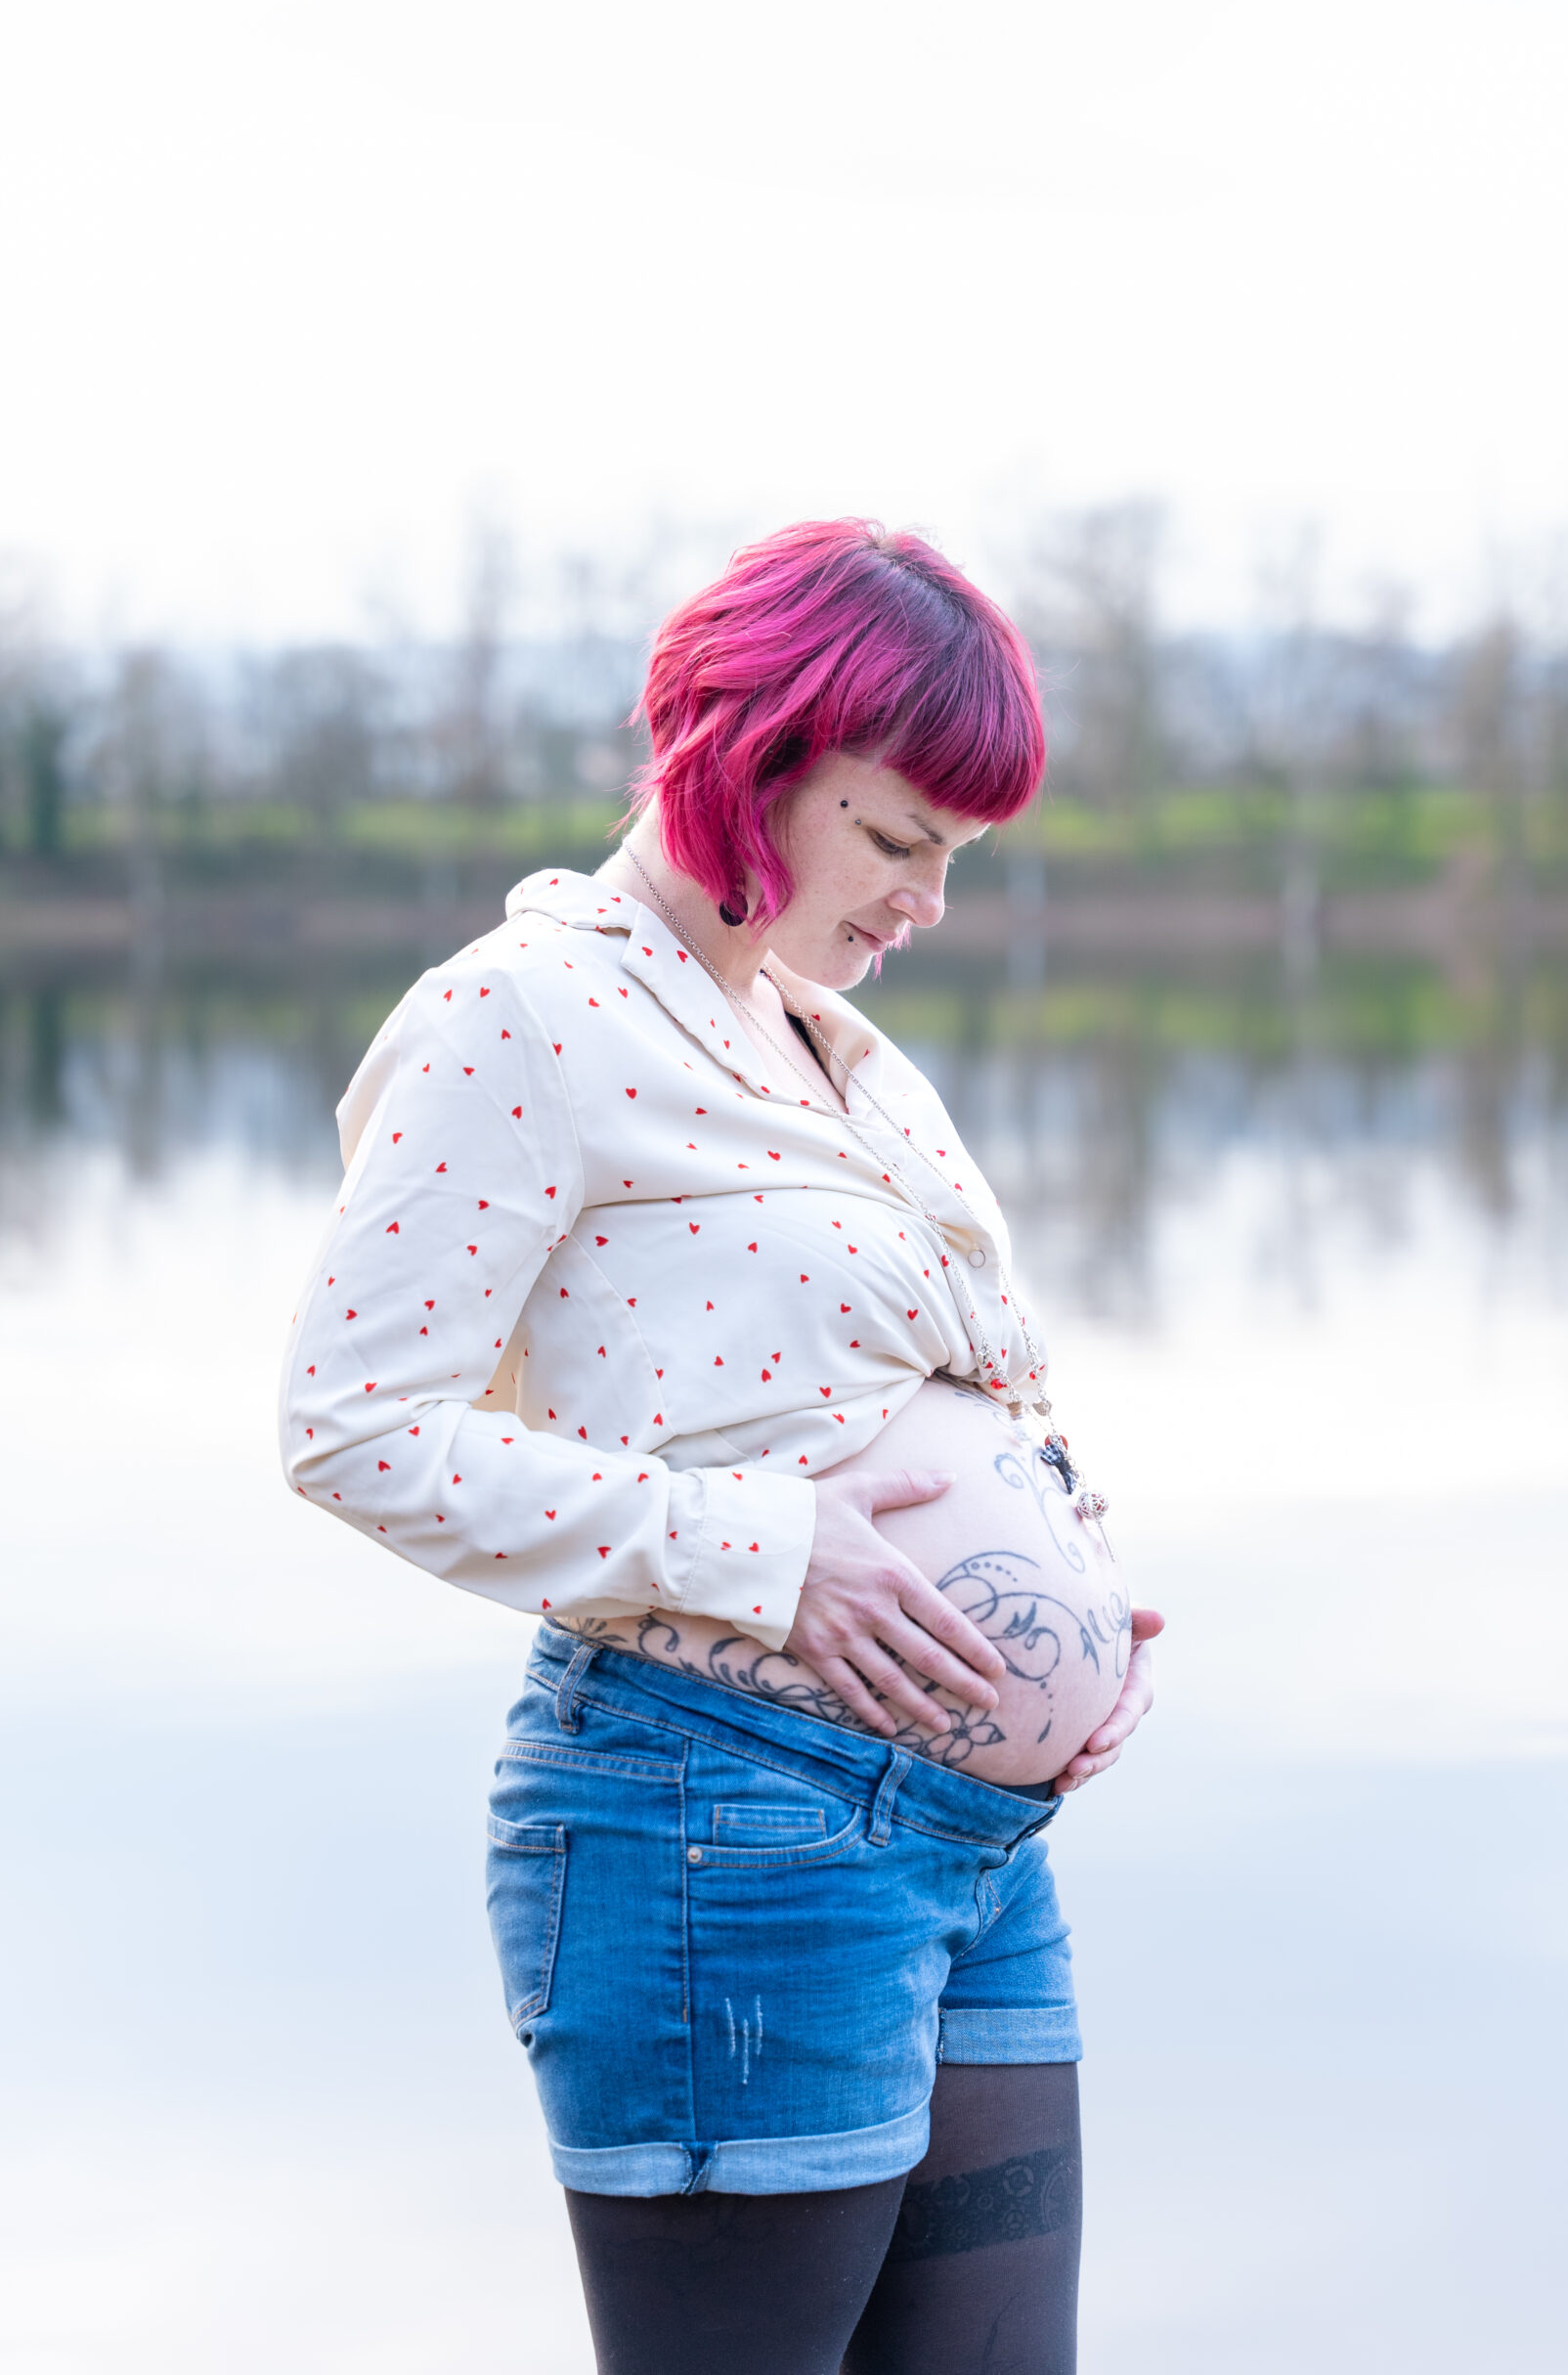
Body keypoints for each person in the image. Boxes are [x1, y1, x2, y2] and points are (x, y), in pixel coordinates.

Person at [280, 520, 1161, 2374]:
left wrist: (1078, 1595)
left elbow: (931, 1389)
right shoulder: (514, 1019)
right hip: (724, 1830)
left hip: (976, 1847)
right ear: (748, 752)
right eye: (899, 837)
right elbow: (354, 1431)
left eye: (957, 857)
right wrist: (769, 1549)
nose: (928, 901)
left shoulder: (834, 1045)